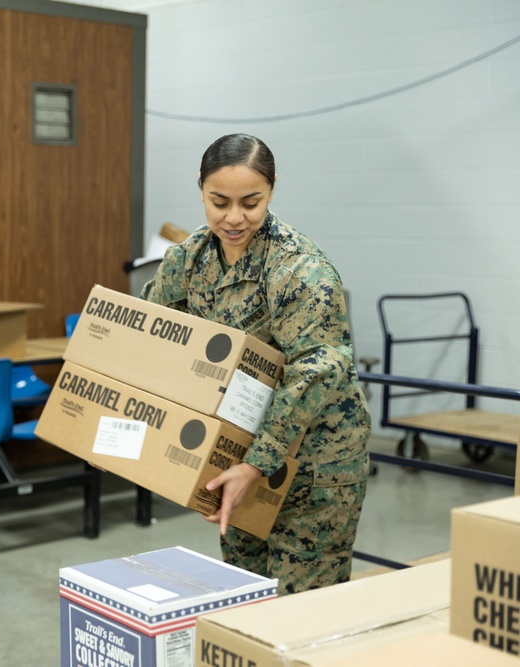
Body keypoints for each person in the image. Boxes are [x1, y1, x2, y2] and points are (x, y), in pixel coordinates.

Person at [141, 133, 370, 595]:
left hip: (315, 464)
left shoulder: (298, 268)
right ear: (200, 188)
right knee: (245, 593)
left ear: (273, 190)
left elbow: (318, 369)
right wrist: (125, 430)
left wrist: (259, 463)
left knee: (299, 606)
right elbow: (149, 336)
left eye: (251, 202)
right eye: (218, 201)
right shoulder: (188, 260)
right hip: (238, 452)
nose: (233, 217)